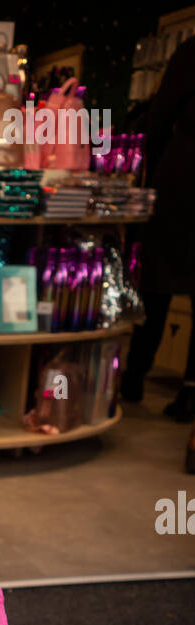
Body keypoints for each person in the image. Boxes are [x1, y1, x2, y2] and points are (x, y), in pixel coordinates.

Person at [121, 36, 195, 421]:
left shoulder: (192, 51)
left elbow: (161, 115)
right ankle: (190, 391)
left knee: (158, 277)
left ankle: (134, 375)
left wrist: (148, 167)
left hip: (184, 176)